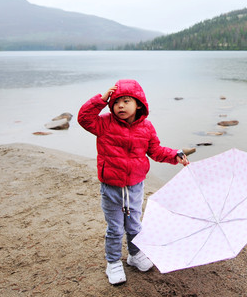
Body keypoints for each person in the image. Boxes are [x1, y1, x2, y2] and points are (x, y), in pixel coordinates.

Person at [78, 79, 189, 285]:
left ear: (139, 104)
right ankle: (112, 262)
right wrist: (100, 100)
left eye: (126, 101)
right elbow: (84, 119)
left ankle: (134, 255)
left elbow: (155, 151)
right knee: (115, 228)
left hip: (135, 186)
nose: (120, 105)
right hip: (111, 186)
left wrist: (175, 155)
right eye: (116, 101)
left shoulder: (146, 127)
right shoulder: (103, 123)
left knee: (135, 225)